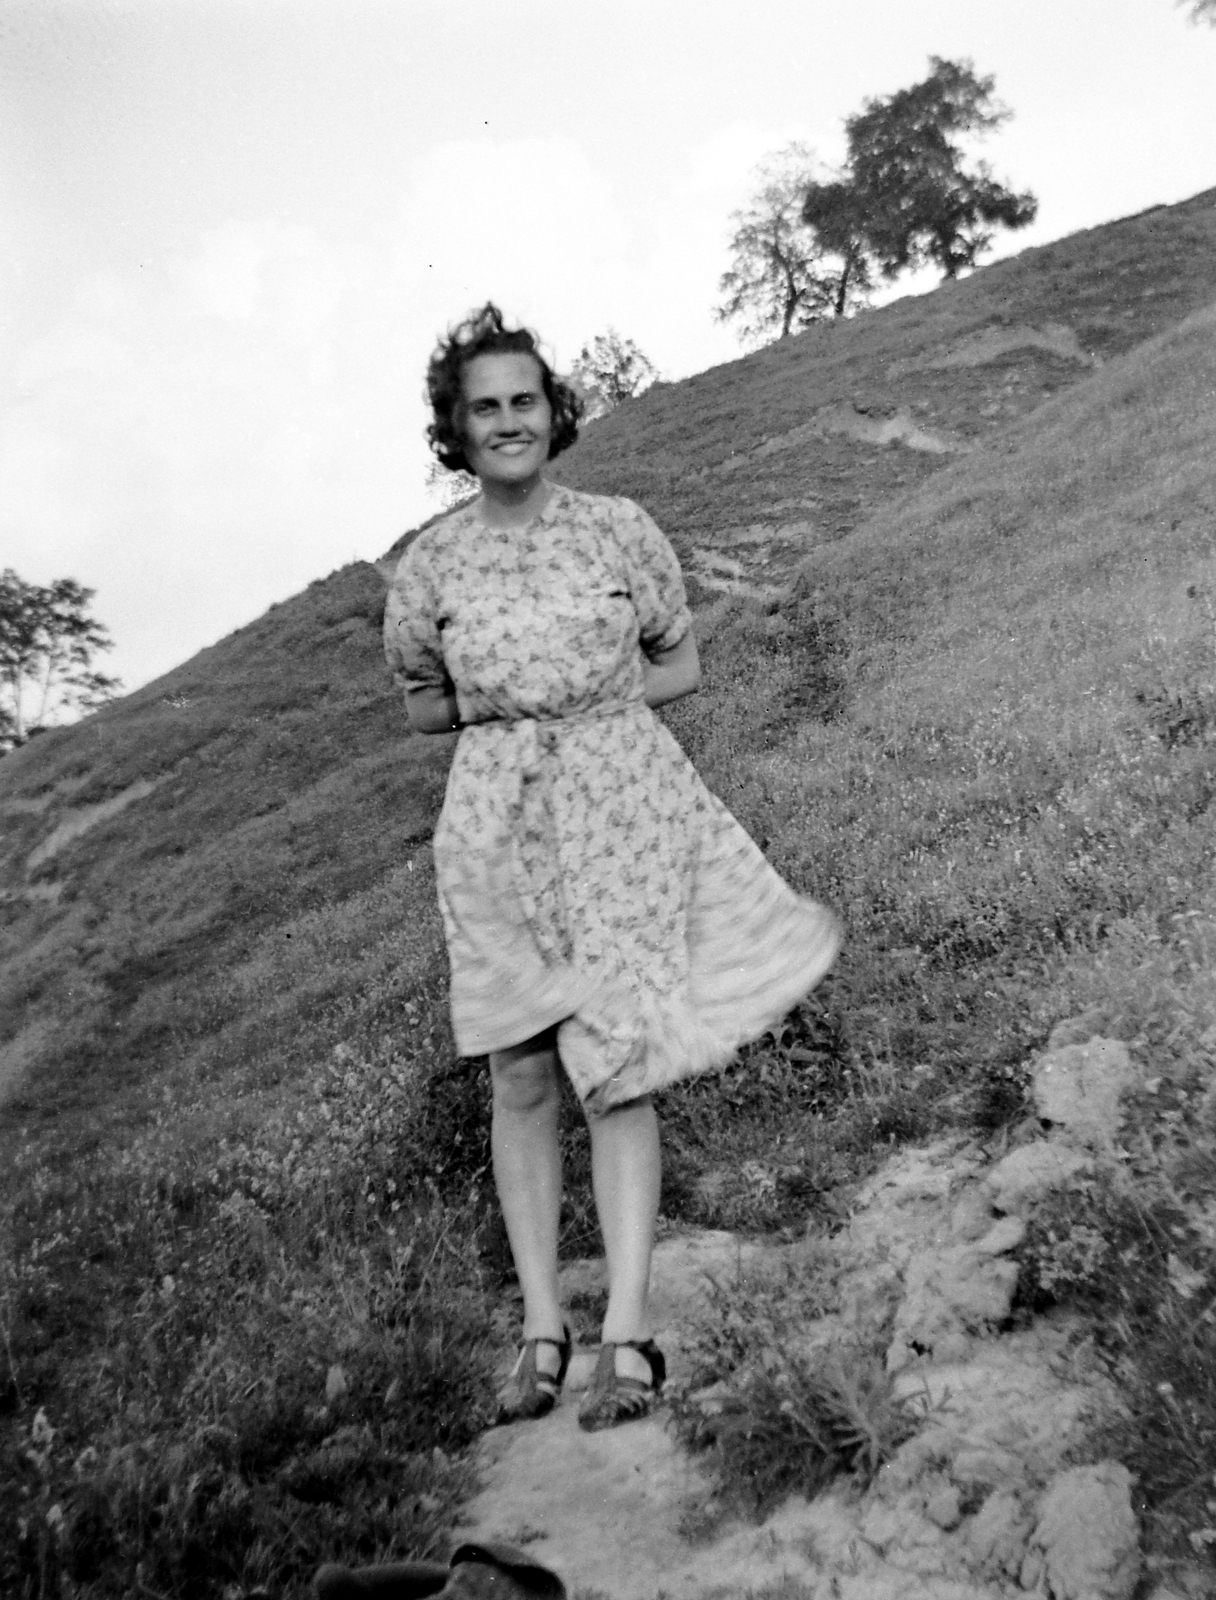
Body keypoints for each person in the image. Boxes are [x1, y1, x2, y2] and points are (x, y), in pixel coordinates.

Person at [384, 303, 841, 1432]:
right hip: (496, 828)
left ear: (554, 415)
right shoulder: (429, 564)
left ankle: (627, 1334)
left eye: (525, 401)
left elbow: (679, 665)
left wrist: (587, 717)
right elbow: (425, 705)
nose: (508, 422)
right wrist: (513, 720)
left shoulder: (618, 531)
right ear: (454, 429)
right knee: (521, 1073)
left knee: (618, 1067)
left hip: (620, 811)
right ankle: (542, 1328)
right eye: (484, 407)